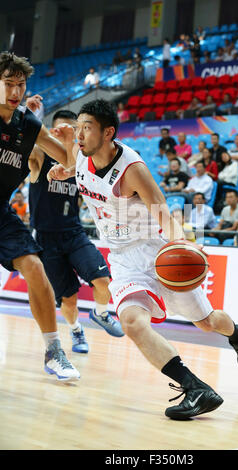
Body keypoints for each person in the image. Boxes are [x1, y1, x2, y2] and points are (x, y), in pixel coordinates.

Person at [48, 98, 238, 420]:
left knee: (206, 322)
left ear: (108, 133)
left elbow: (163, 211)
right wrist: (65, 171)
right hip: (122, 258)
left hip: (156, 251)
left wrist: (184, 244)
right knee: (131, 322)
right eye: (78, 128)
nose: (79, 135)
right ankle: (196, 388)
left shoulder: (133, 170)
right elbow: (81, 172)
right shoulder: (81, 153)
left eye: (86, 128)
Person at [0, 51, 79, 381]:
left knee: (34, 266)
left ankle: (53, 350)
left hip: (1, 213)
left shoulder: (29, 125)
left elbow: (71, 163)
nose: (15, 92)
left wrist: (72, 140)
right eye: (8, 84)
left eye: (21, 85)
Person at [29, 109, 124, 354]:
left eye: (74, 129)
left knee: (103, 281)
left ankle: (101, 313)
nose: (69, 133)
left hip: (74, 233)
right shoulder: (40, 156)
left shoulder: (82, 161)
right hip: (46, 240)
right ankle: (76, 331)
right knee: (69, 299)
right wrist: (30, 116)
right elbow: (28, 144)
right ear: (52, 132)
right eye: (62, 129)